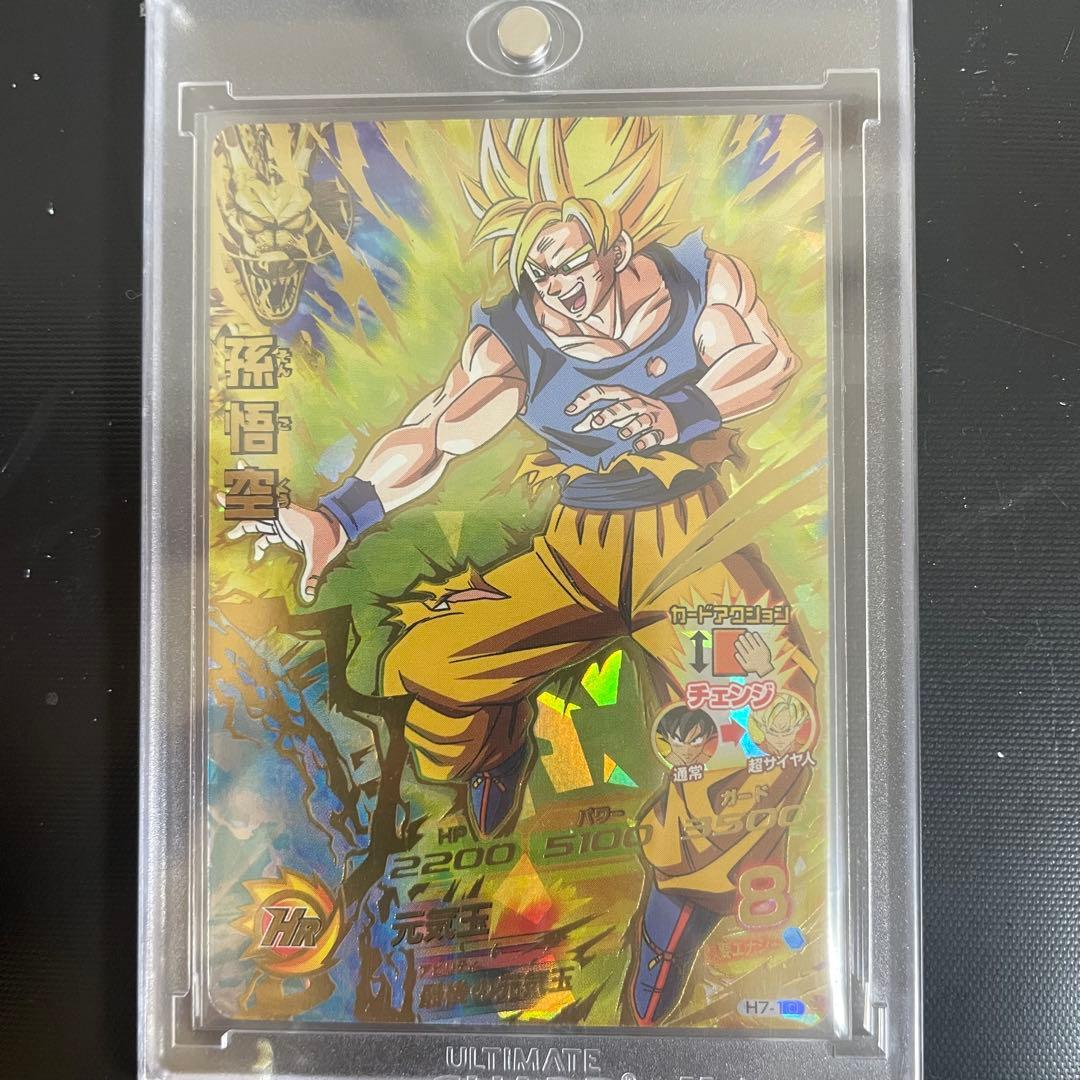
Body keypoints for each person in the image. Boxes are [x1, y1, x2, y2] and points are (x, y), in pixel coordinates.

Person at [230, 116, 819, 1025]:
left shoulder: (702, 281)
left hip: (695, 542)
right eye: (537, 271)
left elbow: (766, 359)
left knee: (769, 725)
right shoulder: (514, 342)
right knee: (432, 663)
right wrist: (338, 516)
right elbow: (437, 431)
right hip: (578, 548)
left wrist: (677, 412)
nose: (556, 288)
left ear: (615, 243)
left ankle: (675, 911)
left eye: (569, 262)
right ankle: (494, 744)